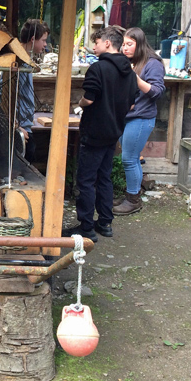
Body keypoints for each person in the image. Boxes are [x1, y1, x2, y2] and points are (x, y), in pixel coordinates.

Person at [63, 26, 138, 241]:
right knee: (104, 177)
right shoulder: (129, 72)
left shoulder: (98, 69)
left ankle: (86, 227)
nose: (93, 46)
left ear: (107, 43)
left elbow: (89, 99)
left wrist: (79, 104)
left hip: (94, 132)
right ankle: (105, 223)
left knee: (86, 180)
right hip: (114, 132)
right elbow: (131, 106)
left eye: (96, 42)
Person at [113, 27, 166, 216]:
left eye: (129, 44)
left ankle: (133, 200)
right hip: (128, 116)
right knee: (130, 158)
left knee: (129, 158)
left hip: (142, 118)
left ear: (140, 44)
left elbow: (157, 92)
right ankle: (131, 194)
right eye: (123, 45)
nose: (124, 48)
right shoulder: (132, 61)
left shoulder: (153, 64)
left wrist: (135, 79)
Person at [0, 19, 49, 164]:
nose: (45, 44)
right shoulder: (19, 62)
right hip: (19, 128)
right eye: (44, 40)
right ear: (33, 39)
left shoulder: (24, 58)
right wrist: (15, 125)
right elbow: (4, 95)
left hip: (24, 124)